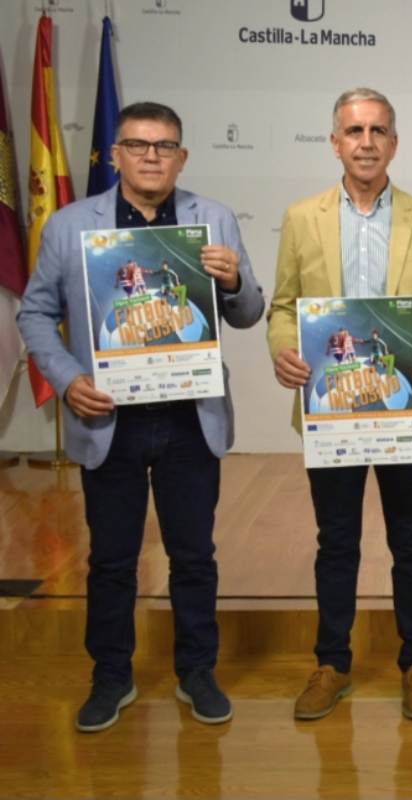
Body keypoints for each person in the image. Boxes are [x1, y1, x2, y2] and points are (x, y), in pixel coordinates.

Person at [18, 101, 265, 732]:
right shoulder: (73, 225)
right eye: (139, 145)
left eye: (165, 146)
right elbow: (35, 313)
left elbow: (248, 313)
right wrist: (69, 379)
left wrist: (234, 280)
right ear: (116, 155)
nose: (152, 156)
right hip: (109, 420)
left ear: (182, 157)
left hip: (190, 417)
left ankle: (197, 672)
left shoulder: (212, 219)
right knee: (111, 559)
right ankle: (111, 676)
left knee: (194, 555)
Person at [267, 88, 412, 722]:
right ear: (336, 142)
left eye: (378, 130)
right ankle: (332, 664)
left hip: (406, 408)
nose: (366, 141)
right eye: (354, 131)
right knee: (337, 541)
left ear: (394, 143)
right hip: (333, 409)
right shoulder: (301, 218)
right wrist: (282, 350)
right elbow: (285, 307)